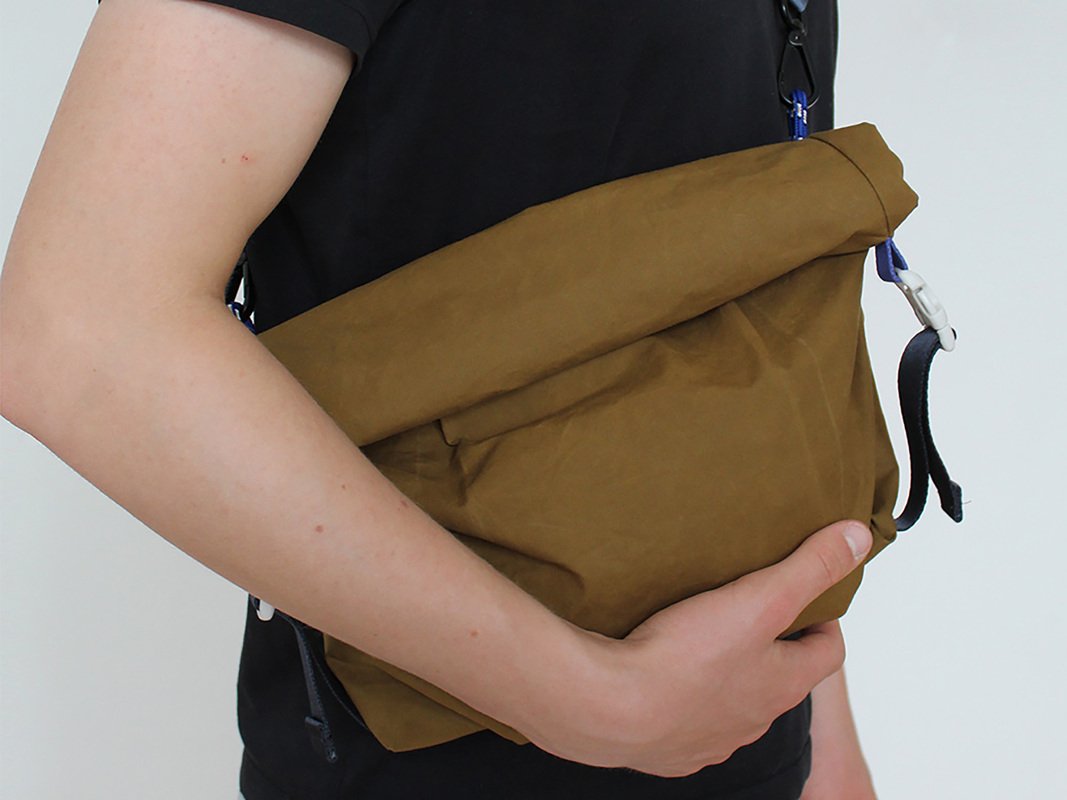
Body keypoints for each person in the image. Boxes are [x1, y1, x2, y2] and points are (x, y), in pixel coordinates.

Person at [0, 0, 878, 797]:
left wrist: (821, 731)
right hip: (425, 766)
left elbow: (757, 282)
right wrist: (595, 700)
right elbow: (79, 327)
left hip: (755, 749)